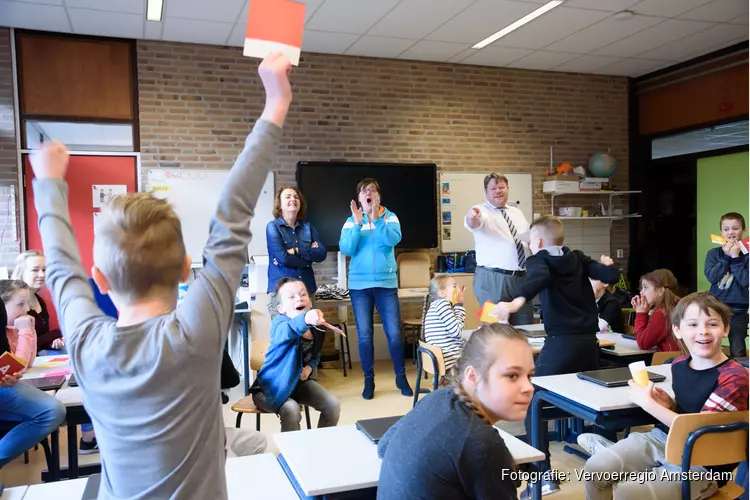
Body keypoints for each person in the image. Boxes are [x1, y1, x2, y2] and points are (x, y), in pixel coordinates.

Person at [30, 52, 293, 499]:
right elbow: (232, 217)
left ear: (102, 278)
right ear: (187, 269)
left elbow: (58, 266)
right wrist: (275, 102)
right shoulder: (196, 333)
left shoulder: (87, 344)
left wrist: (49, 181)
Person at [492, 215, 619, 498]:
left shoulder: (539, 260)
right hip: (589, 343)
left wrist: (514, 302)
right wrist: (609, 267)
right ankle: (611, 468)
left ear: (537, 242)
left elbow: (536, 279)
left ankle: (544, 477)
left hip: (561, 343)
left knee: (532, 402)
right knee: (593, 402)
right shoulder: (577, 257)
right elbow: (609, 275)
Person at [581, 292, 749, 499]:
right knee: (594, 470)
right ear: (677, 331)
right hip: (663, 438)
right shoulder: (679, 364)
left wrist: (648, 403)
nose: (703, 332)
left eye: (712, 324)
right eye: (693, 325)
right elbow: (691, 410)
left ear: (726, 329)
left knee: (627, 493)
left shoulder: (735, 376)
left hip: (704, 463)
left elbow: (701, 431)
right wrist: (669, 405)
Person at [376, 323, 534, 500]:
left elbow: (383, 446)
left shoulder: (438, 397)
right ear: (472, 376)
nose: (528, 387)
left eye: (529, 376)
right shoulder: (481, 442)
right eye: (512, 375)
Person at [339, 178, 412, 400]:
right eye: (364, 191)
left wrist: (377, 219)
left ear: (378, 196)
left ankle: (400, 377)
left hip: (386, 284)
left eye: (372, 191)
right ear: (359, 198)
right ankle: (368, 380)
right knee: (364, 336)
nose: (368, 194)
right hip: (359, 287)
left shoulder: (390, 217)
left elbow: (392, 240)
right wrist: (359, 221)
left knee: (394, 334)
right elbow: (346, 248)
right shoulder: (351, 221)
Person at [251, 278, 340, 432]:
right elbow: (288, 331)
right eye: (291, 297)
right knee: (291, 409)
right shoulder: (279, 324)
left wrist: (309, 369)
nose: (299, 298)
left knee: (333, 405)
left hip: (298, 385)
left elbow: (315, 356)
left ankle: (321, 446)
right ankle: (289, 453)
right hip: (269, 388)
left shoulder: (317, 328)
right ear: (281, 308)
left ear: (310, 302)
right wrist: (305, 319)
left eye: (303, 294)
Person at [0, 283, 66, 471]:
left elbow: (26, 363)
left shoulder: (13, 330)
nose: (27, 309)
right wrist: (26, 331)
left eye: (27, 304)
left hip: (7, 383)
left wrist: (29, 331)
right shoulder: (9, 330)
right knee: (51, 410)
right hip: (5, 386)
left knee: (52, 409)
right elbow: (19, 365)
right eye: (20, 304)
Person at [464, 173, 532, 325]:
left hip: (521, 277)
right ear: (486, 192)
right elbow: (473, 223)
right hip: (492, 279)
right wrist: (472, 216)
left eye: (501, 187)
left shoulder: (517, 212)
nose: (498, 191)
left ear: (508, 189)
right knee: (493, 328)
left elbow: (527, 238)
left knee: (526, 328)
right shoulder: (480, 211)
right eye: (493, 188)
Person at [266, 186, 327, 316]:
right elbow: (283, 258)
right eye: (287, 197)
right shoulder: (273, 227)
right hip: (282, 293)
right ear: (279, 205)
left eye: (296, 197)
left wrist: (296, 250)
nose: (293, 199)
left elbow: (321, 254)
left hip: (306, 291)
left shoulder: (308, 227)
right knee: (285, 334)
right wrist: (308, 256)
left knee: (309, 334)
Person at [704, 212, 748, 357]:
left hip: (738, 309)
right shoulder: (714, 253)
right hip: (716, 307)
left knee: (737, 347)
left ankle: (740, 377)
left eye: (735, 228)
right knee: (711, 344)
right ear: (721, 232)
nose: (731, 232)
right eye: (726, 229)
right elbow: (711, 276)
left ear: (744, 230)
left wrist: (735, 257)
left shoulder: (747, 255)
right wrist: (726, 258)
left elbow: (745, 281)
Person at [11, 251, 64, 354]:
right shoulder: (13, 303)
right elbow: (19, 345)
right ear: (21, 272)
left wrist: (53, 343)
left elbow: (41, 338)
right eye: (35, 270)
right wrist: (57, 333)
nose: (42, 274)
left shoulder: (39, 300)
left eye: (44, 270)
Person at [422, 275, 466, 376]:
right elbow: (458, 332)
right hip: (448, 358)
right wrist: (459, 305)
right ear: (442, 293)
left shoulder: (437, 305)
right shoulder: (442, 304)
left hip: (442, 356)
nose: (458, 290)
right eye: (454, 286)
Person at [632, 269, 682, 352]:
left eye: (645, 287)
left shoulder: (662, 313)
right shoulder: (679, 305)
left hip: (669, 361)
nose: (641, 292)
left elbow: (643, 343)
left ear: (660, 290)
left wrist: (641, 314)